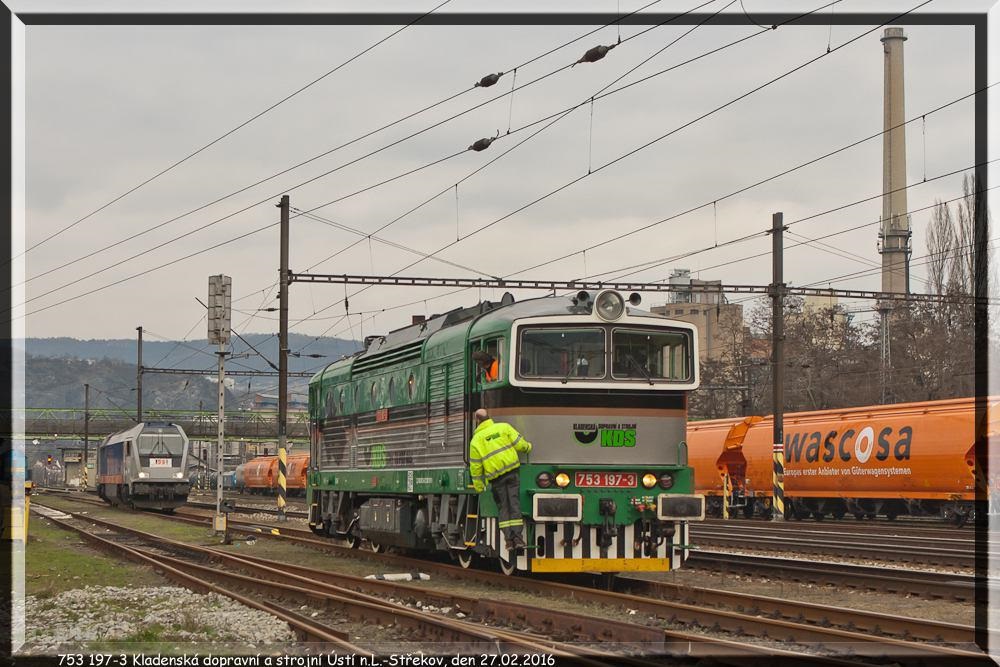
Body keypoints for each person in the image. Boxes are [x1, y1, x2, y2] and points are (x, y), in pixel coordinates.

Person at [469, 408, 532, 550]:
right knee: (514, 503)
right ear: (488, 418)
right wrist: (528, 447)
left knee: (503, 507)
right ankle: (518, 538)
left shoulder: (475, 441)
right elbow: (520, 444)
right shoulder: (503, 427)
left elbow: (476, 468)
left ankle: (509, 541)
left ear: (477, 421)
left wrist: (479, 486)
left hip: (496, 479)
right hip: (512, 474)